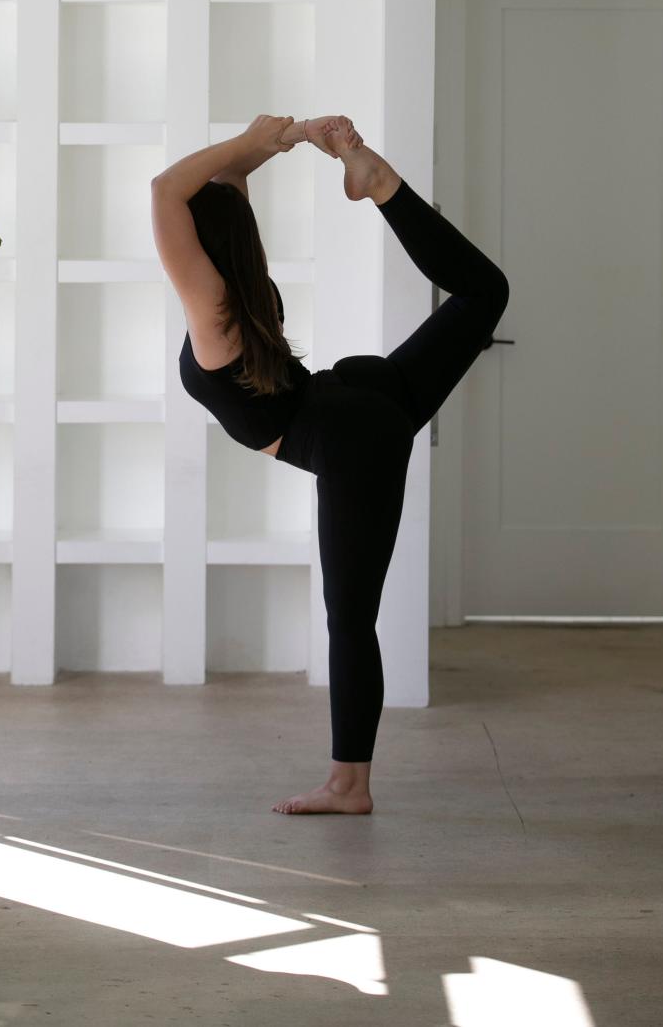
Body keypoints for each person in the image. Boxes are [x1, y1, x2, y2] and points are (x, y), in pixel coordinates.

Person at [150, 114, 510, 814]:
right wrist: (277, 140)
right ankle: (382, 187)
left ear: (196, 246)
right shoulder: (244, 286)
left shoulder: (215, 310)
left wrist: (265, 139)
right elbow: (222, 184)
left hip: (353, 435)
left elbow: (170, 190)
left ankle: (350, 786)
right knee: (483, 295)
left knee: (350, 618)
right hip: (360, 397)